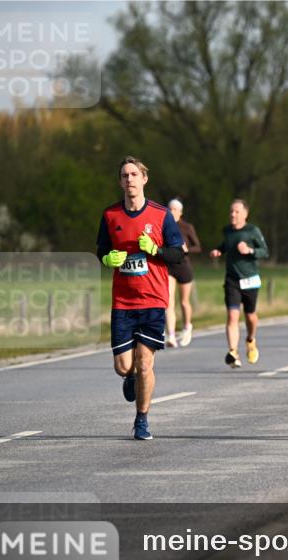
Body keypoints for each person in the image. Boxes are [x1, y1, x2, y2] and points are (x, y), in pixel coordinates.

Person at [95, 156, 185, 441]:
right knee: (123, 366)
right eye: (125, 176)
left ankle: (142, 419)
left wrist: (156, 250)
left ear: (144, 179)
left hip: (153, 300)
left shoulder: (161, 215)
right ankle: (129, 377)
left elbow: (179, 254)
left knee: (145, 363)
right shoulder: (110, 216)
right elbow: (101, 251)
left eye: (134, 174)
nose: (129, 180)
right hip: (122, 302)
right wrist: (108, 258)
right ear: (120, 181)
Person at [209, 199, 269, 367]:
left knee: (250, 316)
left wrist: (249, 250)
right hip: (232, 280)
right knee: (232, 315)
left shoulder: (252, 231)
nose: (232, 215)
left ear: (245, 214)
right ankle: (233, 352)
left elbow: (265, 251)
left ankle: (250, 339)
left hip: (250, 279)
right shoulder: (227, 231)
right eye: (231, 212)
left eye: (236, 212)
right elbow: (226, 245)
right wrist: (218, 251)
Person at [164, 198, 201, 347]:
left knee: (184, 302)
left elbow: (198, 247)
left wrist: (187, 249)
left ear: (180, 212)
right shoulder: (164, 225)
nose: (172, 212)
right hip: (169, 267)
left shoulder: (187, 227)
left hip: (184, 267)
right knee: (168, 303)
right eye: (170, 209)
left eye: (174, 209)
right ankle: (171, 335)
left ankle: (187, 327)